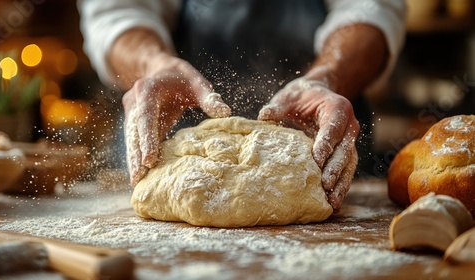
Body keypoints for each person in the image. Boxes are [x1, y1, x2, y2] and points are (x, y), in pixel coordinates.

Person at [77, 0, 407, 211]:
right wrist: (154, 65)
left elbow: (372, 7)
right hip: (171, 138)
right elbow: (117, 11)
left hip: (320, 140)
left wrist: (328, 77)